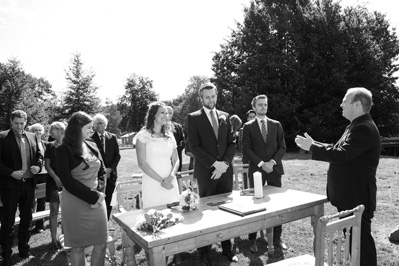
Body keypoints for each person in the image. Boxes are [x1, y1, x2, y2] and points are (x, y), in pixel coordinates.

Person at [295, 87, 380, 266]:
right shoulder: (356, 125)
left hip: (357, 197)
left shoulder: (363, 128)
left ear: (357, 104)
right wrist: (314, 144)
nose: (341, 104)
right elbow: (338, 148)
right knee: (354, 243)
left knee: (361, 244)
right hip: (351, 196)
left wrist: (312, 147)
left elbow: (342, 155)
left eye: (344, 101)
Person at [187, 82, 238, 265]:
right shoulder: (193, 118)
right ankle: (204, 251)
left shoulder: (225, 116)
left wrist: (223, 164)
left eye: (213, 96)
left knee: (226, 209)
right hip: (206, 171)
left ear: (217, 96)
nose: (211, 100)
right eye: (207, 97)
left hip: (224, 172)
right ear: (201, 98)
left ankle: (227, 247)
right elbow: (194, 146)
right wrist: (214, 164)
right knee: (205, 211)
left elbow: (232, 143)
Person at [56, 111, 108, 266]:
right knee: (78, 248)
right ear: (76, 129)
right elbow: (67, 181)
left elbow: (102, 172)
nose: (92, 131)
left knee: (101, 242)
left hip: (98, 201)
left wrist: (100, 195)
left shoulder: (92, 145)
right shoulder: (63, 150)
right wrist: (93, 197)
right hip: (75, 203)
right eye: (88, 128)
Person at [242, 94, 287, 253]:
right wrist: (262, 164)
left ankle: (277, 238)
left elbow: (282, 147)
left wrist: (272, 163)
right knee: (255, 205)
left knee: (277, 206)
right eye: (260, 105)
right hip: (257, 171)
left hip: (274, 170)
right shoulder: (247, 126)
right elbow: (246, 149)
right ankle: (252, 239)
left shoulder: (276, 125)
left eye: (265, 105)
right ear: (254, 107)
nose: (263, 107)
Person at [0, 110, 43, 265]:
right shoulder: (2, 137)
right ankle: (5, 256)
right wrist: (11, 173)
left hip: (29, 186)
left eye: (22, 123)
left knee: (27, 220)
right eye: (16, 123)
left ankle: (24, 251)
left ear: (26, 122)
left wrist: (38, 166)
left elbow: (39, 155)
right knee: (8, 222)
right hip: (9, 187)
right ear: (11, 122)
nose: (19, 126)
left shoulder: (32, 136)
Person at [134, 102, 180, 209]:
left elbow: (176, 159)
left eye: (167, 113)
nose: (166, 115)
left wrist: (171, 177)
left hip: (170, 182)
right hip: (152, 182)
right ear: (153, 114)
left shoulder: (169, 136)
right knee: (154, 217)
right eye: (162, 113)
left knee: (174, 215)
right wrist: (162, 181)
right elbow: (142, 163)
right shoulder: (143, 136)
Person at [91, 113, 121, 220]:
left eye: (101, 123)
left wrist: (109, 169)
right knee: (98, 199)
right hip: (97, 176)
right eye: (97, 123)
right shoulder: (90, 139)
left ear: (105, 125)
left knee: (109, 200)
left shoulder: (112, 137)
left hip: (111, 174)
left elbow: (117, 155)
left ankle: (106, 222)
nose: (99, 125)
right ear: (93, 125)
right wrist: (103, 171)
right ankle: (98, 222)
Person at [44, 122, 66, 250]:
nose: (50, 133)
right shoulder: (50, 146)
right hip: (53, 182)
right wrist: (56, 178)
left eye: (52, 130)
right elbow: (47, 166)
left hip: (68, 182)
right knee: (53, 212)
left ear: (59, 130)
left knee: (66, 212)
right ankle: (53, 240)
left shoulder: (70, 145)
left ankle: (65, 238)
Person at [28, 123, 47, 233]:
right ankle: (28, 225)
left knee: (42, 201)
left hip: (44, 175)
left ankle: (39, 225)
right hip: (33, 175)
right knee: (30, 201)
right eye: (35, 130)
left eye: (40, 130)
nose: (38, 132)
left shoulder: (45, 144)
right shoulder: (29, 144)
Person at [166, 106, 185, 172]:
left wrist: (175, 150)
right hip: (164, 158)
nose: (169, 115)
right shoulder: (158, 127)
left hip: (177, 157)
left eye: (171, 113)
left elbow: (183, 141)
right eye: (167, 112)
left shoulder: (178, 126)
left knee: (177, 177)